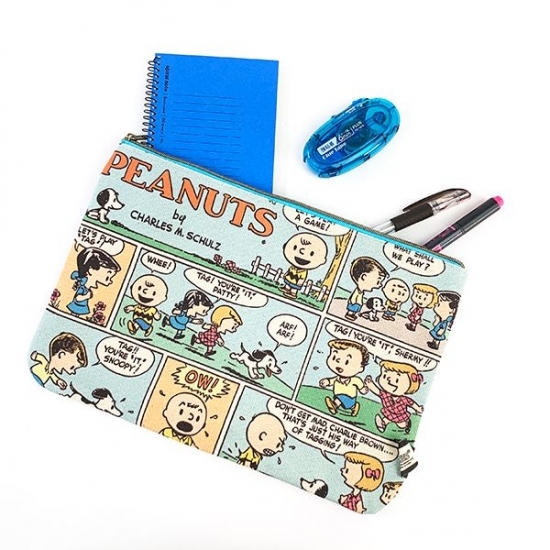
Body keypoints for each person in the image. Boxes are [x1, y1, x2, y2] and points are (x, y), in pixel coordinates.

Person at [365, 360, 424, 434]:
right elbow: (377, 391)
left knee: (401, 425)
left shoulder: (404, 399)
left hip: (400, 416)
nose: (389, 381)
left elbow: (412, 404)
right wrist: (370, 384)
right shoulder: (385, 395)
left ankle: (407, 424)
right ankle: (382, 425)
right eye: (384, 376)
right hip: (389, 413)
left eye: (397, 380)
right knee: (386, 419)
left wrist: (418, 408)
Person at [319, 339, 369, 417]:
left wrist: (364, 390)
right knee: (343, 401)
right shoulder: (337, 378)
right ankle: (354, 408)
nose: (339, 364)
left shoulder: (355, 380)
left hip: (350, 398)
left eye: (347, 362)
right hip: (338, 396)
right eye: (334, 357)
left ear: (361, 367)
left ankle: (334, 405)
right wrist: (326, 382)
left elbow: (361, 388)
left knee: (341, 399)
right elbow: (331, 381)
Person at [67, 247, 120, 316]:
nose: (110, 282)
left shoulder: (86, 287)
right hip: (77, 307)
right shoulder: (83, 287)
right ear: (91, 270)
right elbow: (77, 298)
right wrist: (86, 296)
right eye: (107, 278)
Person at [281, 233, 328, 298]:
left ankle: (293, 293)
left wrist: (300, 283)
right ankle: (286, 289)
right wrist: (285, 274)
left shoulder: (303, 271)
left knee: (294, 288)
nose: (302, 252)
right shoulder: (293, 267)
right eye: (295, 247)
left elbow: (302, 278)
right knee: (288, 285)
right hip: (289, 279)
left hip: (296, 282)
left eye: (311, 253)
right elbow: (289, 271)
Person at [346, 256, 388, 321]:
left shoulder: (361, 292)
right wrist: (354, 303)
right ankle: (350, 314)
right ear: (364, 277)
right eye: (378, 281)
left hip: (356, 305)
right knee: (352, 310)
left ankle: (352, 314)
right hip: (354, 304)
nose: (380, 285)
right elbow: (353, 298)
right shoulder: (357, 291)